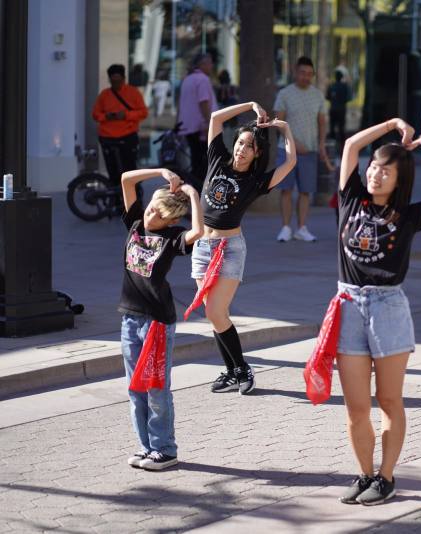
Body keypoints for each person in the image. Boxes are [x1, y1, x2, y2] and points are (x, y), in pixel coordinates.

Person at [335, 119, 421, 505]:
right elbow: (351, 145)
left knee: (388, 400)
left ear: (399, 178)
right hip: (348, 305)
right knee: (356, 406)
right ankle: (364, 473)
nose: (375, 172)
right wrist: (389, 126)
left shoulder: (409, 215)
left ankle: (386, 477)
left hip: (388, 307)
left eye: (386, 169)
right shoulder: (351, 197)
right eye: (374, 166)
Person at [195, 102, 297, 395]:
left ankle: (241, 368)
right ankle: (231, 371)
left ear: (257, 153)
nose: (241, 150)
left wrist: (285, 129)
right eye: (239, 143)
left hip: (229, 248)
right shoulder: (217, 159)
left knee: (216, 311)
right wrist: (250, 106)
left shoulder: (256, 181)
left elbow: (290, 162)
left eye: (248, 147)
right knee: (213, 313)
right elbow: (215, 117)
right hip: (204, 246)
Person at [118, 167, 203, 471]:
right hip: (130, 317)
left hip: (156, 321)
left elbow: (198, 233)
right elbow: (127, 179)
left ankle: (165, 449)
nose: (150, 214)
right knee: (134, 388)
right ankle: (146, 448)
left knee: (156, 388)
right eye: (151, 206)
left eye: (158, 213)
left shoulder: (172, 238)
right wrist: (160, 171)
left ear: (171, 221)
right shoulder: (135, 224)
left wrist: (193, 194)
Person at [274, 56, 333, 242]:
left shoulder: (317, 95)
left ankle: (301, 227)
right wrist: (293, 142)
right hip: (287, 149)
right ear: (295, 72)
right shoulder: (284, 94)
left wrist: (321, 144)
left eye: (309, 74)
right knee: (286, 189)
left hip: (310, 150)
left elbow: (322, 122)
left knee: (306, 190)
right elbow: (279, 122)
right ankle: (285, 227)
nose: (306, 77)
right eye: (302, 73)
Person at [91, 64, 148, 195]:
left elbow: (143, 112)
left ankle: (134, 199)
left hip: (127, 135)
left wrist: (126, 115)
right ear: (110, 80)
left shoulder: (133, 92)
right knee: (113, 171)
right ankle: (116, 201)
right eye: (113, 81)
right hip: (107, 137)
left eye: (119, 81)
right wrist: (106, 116)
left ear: (124, 78)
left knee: (130, 169)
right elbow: (95, 114)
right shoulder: (104, 95)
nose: (116, 84)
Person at [178, 53, 218, 191]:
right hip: (201, 127)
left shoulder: (187, 79)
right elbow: (204, 102)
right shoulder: (202, 79)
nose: (212, 66)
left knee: (196, 162)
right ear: (203, 65)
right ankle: (199, 195)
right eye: (210, 63)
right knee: (203, 164)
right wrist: (208, 123)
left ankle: (193, 194)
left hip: (188, 127)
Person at [326, 70, 352, 154]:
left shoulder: (331, 86)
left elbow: (327, 97)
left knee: (332, 128)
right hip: (341, 110)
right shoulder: (345, 86)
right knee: (341, 129)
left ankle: (332, 148)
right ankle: (342, 149)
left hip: (333, 109)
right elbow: (349, 98)